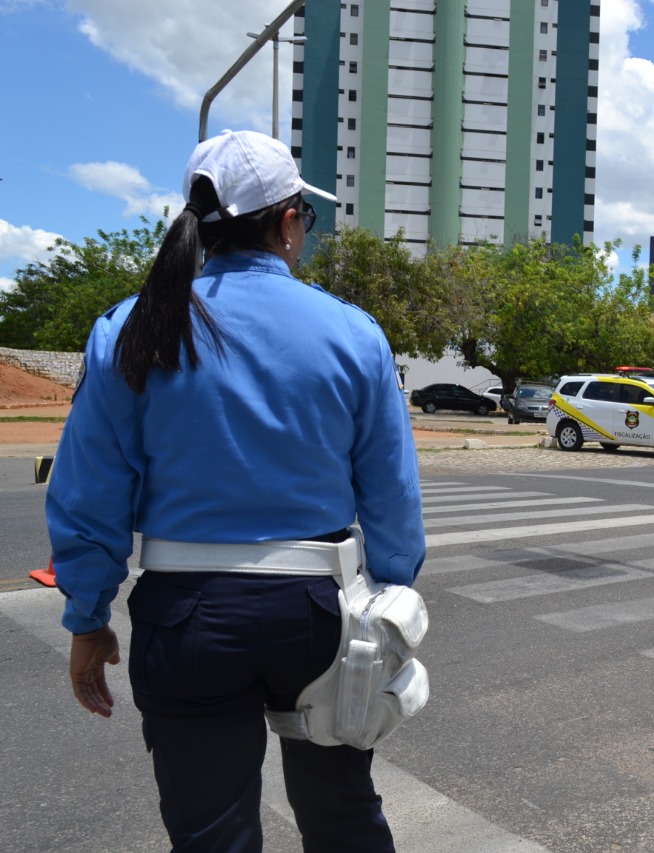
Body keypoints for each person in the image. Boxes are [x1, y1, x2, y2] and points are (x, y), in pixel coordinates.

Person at [46, 129, 425, 852]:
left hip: (185, 622)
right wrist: (397, 596)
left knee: (211, 835)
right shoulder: (353, 334)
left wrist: (87, 618)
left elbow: (90, 492)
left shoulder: (129, 329)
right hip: (321, 615)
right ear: (288, 222)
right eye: (305, 220)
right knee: (343, 814)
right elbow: (391, 497)